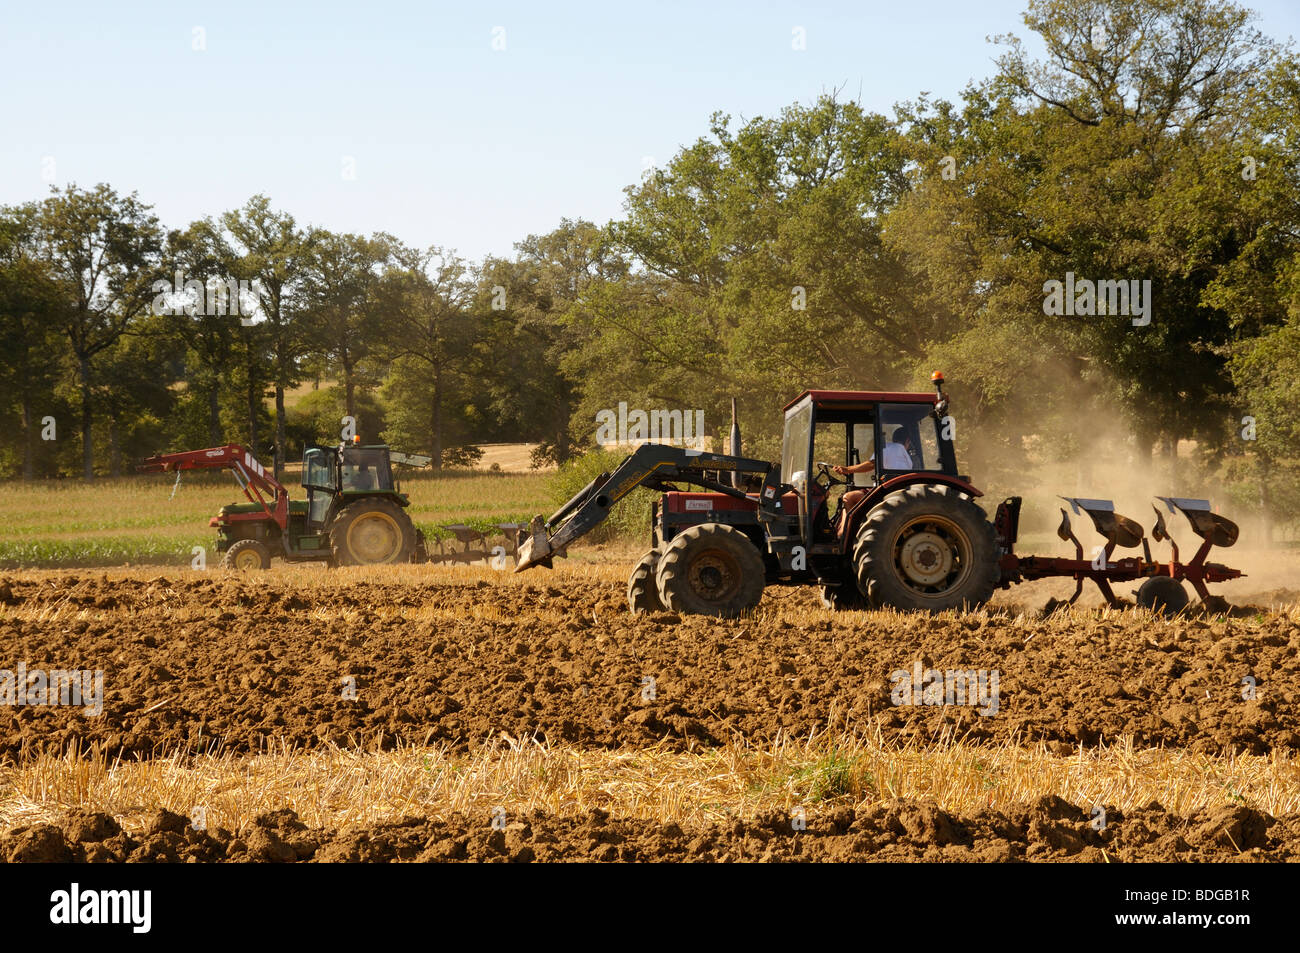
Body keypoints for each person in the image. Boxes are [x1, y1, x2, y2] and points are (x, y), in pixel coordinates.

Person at [831, 430, 915, 525]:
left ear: (894, 439)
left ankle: (847, 533)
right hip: (894, 491)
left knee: (848, 497)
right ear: (907, 441)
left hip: (885, 493)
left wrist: (847, 469)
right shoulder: (907, 458)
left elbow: (871, 465)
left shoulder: (889, 447)